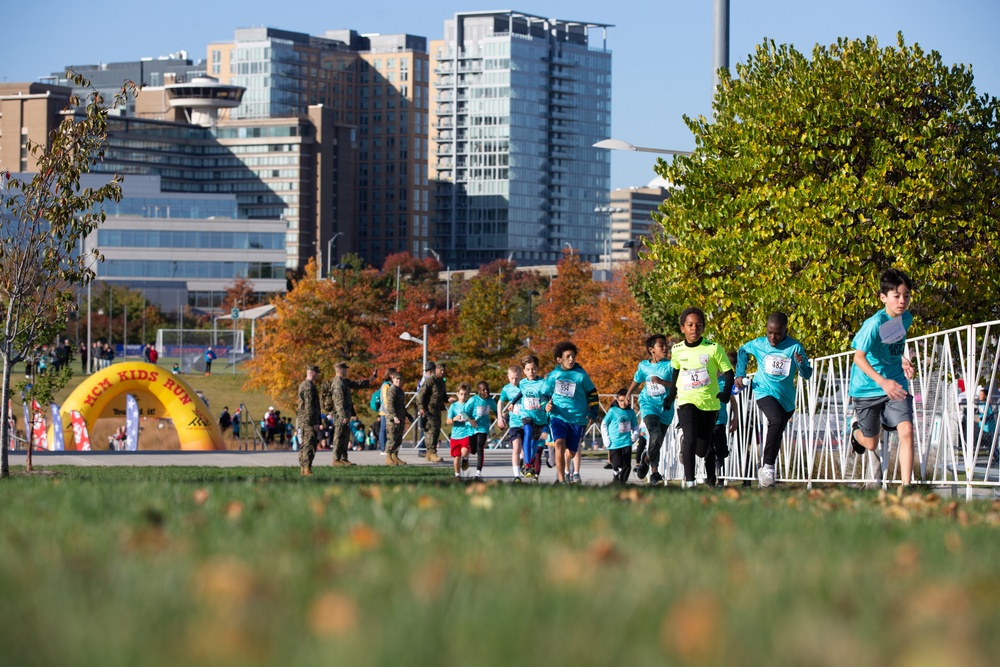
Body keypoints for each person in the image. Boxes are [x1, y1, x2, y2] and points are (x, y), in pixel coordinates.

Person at [848, 268, 916, 489]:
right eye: (897, 296)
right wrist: (882, 381)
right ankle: (855, 431)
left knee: (906, 430)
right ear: (883, 297)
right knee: (871, 443)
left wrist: (902, 359)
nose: (902, 301)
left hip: (895, 384)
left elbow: (889, 344)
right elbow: (859, 357)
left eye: (906, 295)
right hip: (867, 388)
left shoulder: (905, 318)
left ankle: (906, 488)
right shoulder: (874, 324)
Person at [735, 312, 813, 487]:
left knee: (776, 433)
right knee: (775, 419)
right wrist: (740, 373)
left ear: (786, 330)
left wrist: (801, 364)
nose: (773, 337)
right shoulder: (759, 344)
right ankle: (769, 467)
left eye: (777, 333)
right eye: (770, 332)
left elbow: (807, 374)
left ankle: (765, 472)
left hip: (786, 399)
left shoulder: (795, 347)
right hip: (763, 391)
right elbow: (742, 351)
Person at [666, 307, 734, 488]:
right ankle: (690, 482)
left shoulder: (713, 348)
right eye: (690, 325)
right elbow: (676, 372)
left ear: (703, 328)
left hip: (710, 405)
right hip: (687, 401)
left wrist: (726, 391)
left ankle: (689, 444)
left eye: (698, 325)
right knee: (689, 439)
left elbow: (728, 372)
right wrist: (671, 394)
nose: (694, 328)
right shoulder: (677, 350)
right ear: (682, 328)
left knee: (702, 449)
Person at [544, 341, 599, 484]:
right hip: (558, 415)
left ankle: (567, 462)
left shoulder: (581, 375)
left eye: (573, 356)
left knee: (571, 452)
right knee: (559, 444)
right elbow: (543, 394)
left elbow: (592, 394)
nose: (571, 359)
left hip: (577, 418)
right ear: (559, 359)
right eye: (567, 356)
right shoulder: (554, 375)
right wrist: (546, 405)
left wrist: (593, 412)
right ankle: (561, 480)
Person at [626, 334, 676, 485]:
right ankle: (655, 473)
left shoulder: (670, 365)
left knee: (657, 442)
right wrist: (628, 393)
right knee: (654, 435)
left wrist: (661, 382)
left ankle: (645, 459)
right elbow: (637, 379)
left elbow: (677, 384)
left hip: (666, 408)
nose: (666, 348)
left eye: (666, 345)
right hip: (648, 405)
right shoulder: (643, 366)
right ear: (651, 350)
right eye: (662, 345)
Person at [323, 361, 376, 467]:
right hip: (340, 415)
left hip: (345, 414)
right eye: (345, 369)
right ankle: (336, 459)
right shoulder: (338, 383)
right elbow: (338, 402)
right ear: (341, 370)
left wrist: (371, 379)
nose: (347, 370)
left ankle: (343, 458)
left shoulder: (344, 381)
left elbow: (356, 384)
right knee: (339, 436)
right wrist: (343, 416)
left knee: (345, 436)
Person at [707, 351, 740, 486]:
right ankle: (711, 480)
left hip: (720, 420)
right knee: (709, 452)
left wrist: (735, 418)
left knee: (722, 451)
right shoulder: (704, 380)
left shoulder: (725, 381)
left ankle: (720, 463)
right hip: (706, 419)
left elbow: (733, 401)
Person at [602, 388, 639, 484]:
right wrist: (606, 439)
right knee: (617, 463)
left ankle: (622, 483)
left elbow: (635, 426)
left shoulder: (631, 412)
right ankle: (615, 472)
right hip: (614, 442)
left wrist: (634, 436)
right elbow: (604, 424)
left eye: (625, 400)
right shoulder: (612, 411)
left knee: (627, 465)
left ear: (629, 400)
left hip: (626, 441)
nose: (623, 403)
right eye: (620, 401)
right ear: (617, 400)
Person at [415, 361, 448, 463]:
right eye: (440, 370)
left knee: (436, 431)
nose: (442, 372)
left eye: (444, 370)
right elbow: (420, 395)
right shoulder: (430, 381)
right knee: (431, 431)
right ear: (436, 370)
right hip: (428, 410)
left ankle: (429, 453)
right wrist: (421, 408)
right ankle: (432, 452)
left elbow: (443, 396)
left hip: (437, 410)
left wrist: (448, 399)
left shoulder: (442, 382)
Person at [497, 365, 526, 480]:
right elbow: (500, 402)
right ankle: (516, 476)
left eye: (517, 378)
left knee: (525, 450)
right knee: (516, 448)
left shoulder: (524, 385)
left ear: (521, 376)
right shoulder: (506, 389)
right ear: (508, 377)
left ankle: (524, 463)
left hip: (527, 421)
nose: (515, 381)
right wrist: (499, 417)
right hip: (514, 422)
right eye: (512, 378)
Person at [465, 381, 498, 481]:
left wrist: (500, 419)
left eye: (487, 389)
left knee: (480, 448)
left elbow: (497, 411)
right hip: (472, 428)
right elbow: (463, 412)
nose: (486, 391)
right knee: (473, 450)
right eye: (483, 390)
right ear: (478, 391)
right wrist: (470, 421)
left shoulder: (491, 401)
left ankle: (478, 472)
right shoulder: (473, 400)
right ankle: (465, 458)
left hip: (483, 428)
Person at [296, 364, 323, 476]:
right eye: (316, 373)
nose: (317, 375)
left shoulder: (303, 385)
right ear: (313, 373)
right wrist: (315, 423)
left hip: (304, 420)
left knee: (305, 444)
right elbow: (309, 406)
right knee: (309, 444)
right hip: (309, 420)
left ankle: (303, 468)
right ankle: (307, 469)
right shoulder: (309, 386)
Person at [384, 370, 412, 465]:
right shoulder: (392, 390)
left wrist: (407, 415)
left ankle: (395, 456)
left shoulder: (400, 391)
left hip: (400, 418)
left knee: (398, 439)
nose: (398, 381)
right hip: (393, 419)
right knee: (392, 438)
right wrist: (394, 416)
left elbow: (402, 406)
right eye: (397, 379)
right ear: (393, 379)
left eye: (400, 379)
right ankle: (388, 457)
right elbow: (390, 405)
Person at [447, 383, 474, 479]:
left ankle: (466, 459)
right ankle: (457, 475)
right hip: (455, 434)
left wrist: (467, 417)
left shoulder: (469, 405)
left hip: (466, 432)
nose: (463, 396)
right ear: (457, 394)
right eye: (461, 394)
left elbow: (472, 417)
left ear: (468, 395)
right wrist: (455, 418)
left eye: (465, 394)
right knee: (456, 457)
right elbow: (448, 421)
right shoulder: (453, 406)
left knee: (464, 452)